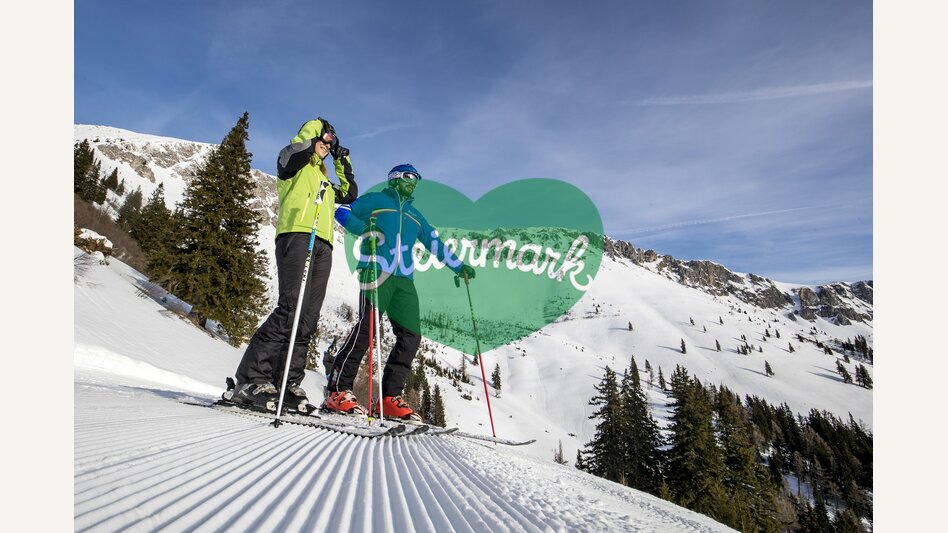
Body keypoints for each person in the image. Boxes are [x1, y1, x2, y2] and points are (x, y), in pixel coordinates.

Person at [224, 117, 357, 412]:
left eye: (330, 142)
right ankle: (251, 379)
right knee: (290, 309)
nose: (326, 146)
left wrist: (341, 160)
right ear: (311, 136)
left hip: (323, 244)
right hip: (297, 235)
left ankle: (288, 381)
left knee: (307, 319)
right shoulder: (292, 164)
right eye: (324, 140)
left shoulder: (323, 177)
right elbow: (295, 153)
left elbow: (349, 193)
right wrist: (315, 137)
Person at [323, 164, 475, 422]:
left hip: (404, 280)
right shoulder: (377, 200)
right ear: (394, 179)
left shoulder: (416, 216)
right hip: (376, 271)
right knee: (367, 329)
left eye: (417, 178)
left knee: (411, 336)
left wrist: (459, 266)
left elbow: (434, 242)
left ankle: (388, 399)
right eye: (408, 176)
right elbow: (343, 211)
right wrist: (367, 231)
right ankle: (337, 390)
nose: (413, 181)